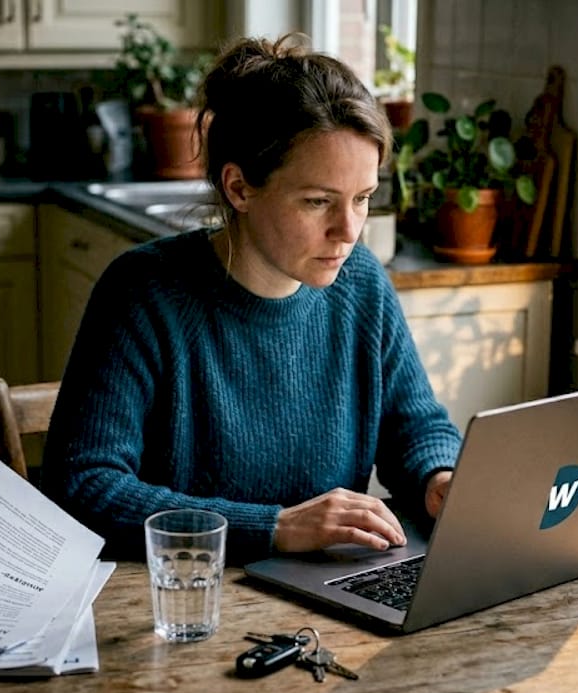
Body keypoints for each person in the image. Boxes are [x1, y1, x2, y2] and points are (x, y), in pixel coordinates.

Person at [41, 34, 461, 564]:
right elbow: (82, 489)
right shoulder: (144, 293)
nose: (349, 230)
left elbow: (416, 426)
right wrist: (274, 527)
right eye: (317, 202)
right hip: (182, 602)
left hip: (321, 598)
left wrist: (436, 477)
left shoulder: (362, 284)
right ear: (239, 188)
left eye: (362, 199)